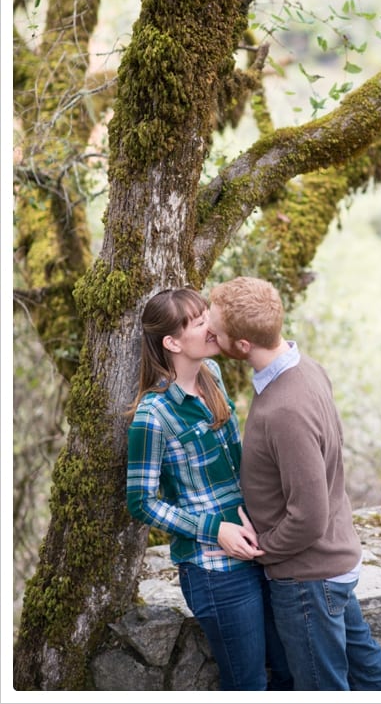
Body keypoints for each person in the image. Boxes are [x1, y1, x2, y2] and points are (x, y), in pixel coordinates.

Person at [208, 276, 381, 692]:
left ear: (242, 346)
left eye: (217, 330)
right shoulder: (305, 367)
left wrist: (264, 550)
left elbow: (309, 515)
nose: (209, 331)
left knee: (321, 688)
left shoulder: (284, 409)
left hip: (307, 579)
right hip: (328, 565)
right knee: (368, 673)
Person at [126, 287, 292, 692]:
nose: (212, 327)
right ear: (172, 342)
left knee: (290, 671)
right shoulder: (153, 414)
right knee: (248, 684)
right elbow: (141, 501)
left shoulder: (213, 376)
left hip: (259, 549)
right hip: (215, 569)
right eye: (200, 322)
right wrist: (215, 529)